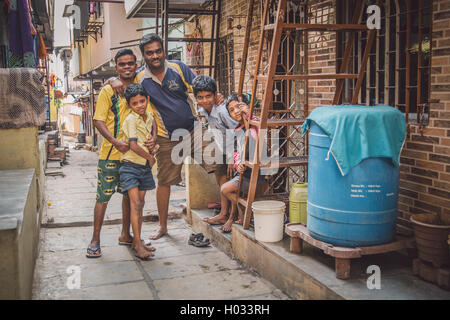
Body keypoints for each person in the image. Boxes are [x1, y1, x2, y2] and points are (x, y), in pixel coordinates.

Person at [110, 34, 223, 240]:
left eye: (158, 51)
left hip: (193, 128)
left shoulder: (178, 68)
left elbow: (200, 87)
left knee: (219, 163)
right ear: (143, 56)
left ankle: (228, 212)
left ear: (164, 50)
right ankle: (163, 227)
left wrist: (217, 98)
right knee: (164, 182)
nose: (155, 56)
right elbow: (122, 82)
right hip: (165, 137)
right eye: (149, 53)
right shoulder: (140, 78)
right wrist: (112, 78)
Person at [86, 49, 138, 258]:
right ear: (116, 67)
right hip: (110, 155)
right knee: (103, 197)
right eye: (122, 64)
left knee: (129, 197)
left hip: (132, 157)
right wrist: (115, 142)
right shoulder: (108, 91)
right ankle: (95, 239)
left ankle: (125, 234)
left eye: (130, 63)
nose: (127, 67)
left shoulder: (138, 88)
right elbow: (98, 120)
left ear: (136, 65)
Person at [192, 75, 239, 226]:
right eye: (200, 97)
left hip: (235, 152)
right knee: (221, 179)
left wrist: (233, 157)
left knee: (229, 185)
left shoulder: (221, 111)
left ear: (215, 94)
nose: (205, 100)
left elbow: (236, 131)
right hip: (222, 149)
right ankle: (224, 214)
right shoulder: (204, 109)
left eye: (208, 96)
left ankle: (233, 215)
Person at [120, 84, 158, 260]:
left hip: (143, 167)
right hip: (130, 166)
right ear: (129, 105)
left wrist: (154, 143)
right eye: (135, 103)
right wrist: (150, 158)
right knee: (135, 204)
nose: (140, 105)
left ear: (147, 100)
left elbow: (153, 126)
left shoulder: (148, 116)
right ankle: (138, 245)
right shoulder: (131, 120)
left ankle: (138, 242)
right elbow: (133, 145)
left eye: (142, 101)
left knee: (140, 205)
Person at [219, 94, 267, 233]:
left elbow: (259, 131)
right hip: (243, 170)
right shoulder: (237, 130)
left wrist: (248, 112)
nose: (236, 112)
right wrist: (238, 163)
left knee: (225, 189)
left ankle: (246, 213)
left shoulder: (253, 125)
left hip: (253, 172)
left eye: (238, 107)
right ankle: (241, 214)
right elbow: (237, 152)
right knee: (230, 188)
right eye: (232, 110)